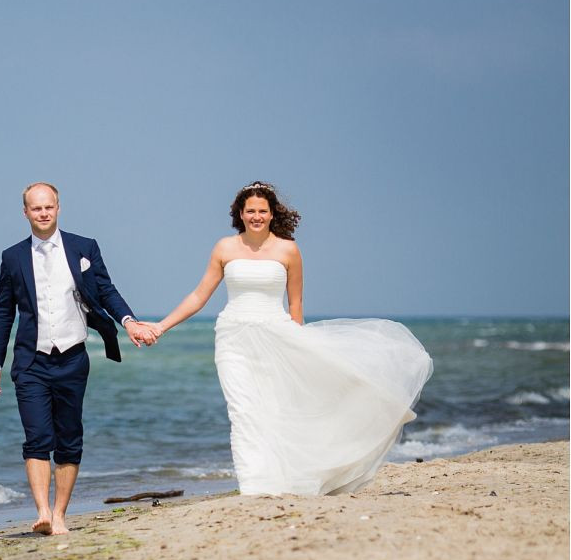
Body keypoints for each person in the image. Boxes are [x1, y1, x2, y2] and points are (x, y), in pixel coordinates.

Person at [143, 181, 432, 496]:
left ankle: (284, 479)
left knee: (277, 408)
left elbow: (295, 304)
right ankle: (253, 487)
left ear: (271, 214)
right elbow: (199, 295)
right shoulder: (225, 247)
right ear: (240, 214)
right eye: (250, 211)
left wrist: (304, 349)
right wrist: (161, 326)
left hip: (277, 335)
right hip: (233, 338)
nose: (256, 216)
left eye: (262, 211)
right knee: (242, 410)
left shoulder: (288, 249)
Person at [0, 182, 156, 535]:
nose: (43, 213)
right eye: (36, 208)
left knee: (69, 437)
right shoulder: (12, 257)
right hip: (31, 361)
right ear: (26, 213)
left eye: (49, 207)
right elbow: (3, 312)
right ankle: (43, 512)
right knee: (36, 438)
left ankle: (60, 514)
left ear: (58, 207)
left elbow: (106, 290)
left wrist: (129, 322)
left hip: (72, 359)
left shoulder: (83, 247)